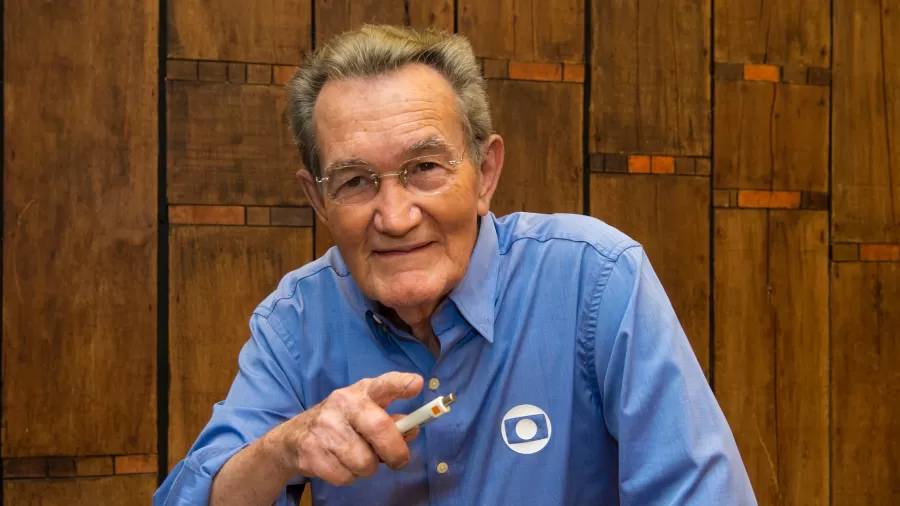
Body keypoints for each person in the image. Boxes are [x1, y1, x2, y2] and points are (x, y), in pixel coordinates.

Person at [154, 24, 756, 506]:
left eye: (424, 168)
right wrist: (284, 447)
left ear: (485, 174)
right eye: (355, 180)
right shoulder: (296, 322)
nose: (395, 217)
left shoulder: (596, 281)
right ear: (318, 200)